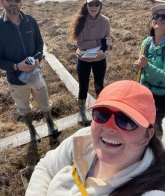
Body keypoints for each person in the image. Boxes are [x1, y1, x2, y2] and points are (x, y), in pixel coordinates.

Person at [25, 80, 165, 196]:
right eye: (102, 114)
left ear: (148, 135)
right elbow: (46, 167)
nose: (109, 127)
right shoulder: (83, 140)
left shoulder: (152, 191)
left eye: (126, 120)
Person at [0, 0, 58, 142]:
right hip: (16, 80)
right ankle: (31, 130)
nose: (13, 2)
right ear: (2, 2)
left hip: (36, 75)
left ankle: (50, 122)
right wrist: (17, 67)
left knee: (44, 102)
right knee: (23, 107)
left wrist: (38, 57)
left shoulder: (31, 21)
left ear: (21, 3)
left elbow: (39, 44)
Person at [70, 0, 111, 126]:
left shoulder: (105, 21)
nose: (93, 6)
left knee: (99, 85)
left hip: (100, 59)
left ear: (100, 5)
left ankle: (100, 108)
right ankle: (82, 111)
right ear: (86, 5)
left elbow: (107, 42)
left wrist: (103, 48)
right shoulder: (80, 21)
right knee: (83, 87)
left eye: (96, 3)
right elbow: (81, 44)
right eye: (90, 3)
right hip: (84, 60)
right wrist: (100, 41)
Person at [134, 4, 165, 138]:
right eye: (156, 16)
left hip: (162, 96)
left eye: (164, 16)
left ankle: (158, 154)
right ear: (152, 22)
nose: (160, 18)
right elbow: (141, 71)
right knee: (143, 122)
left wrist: (147, 66)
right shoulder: (146, 43)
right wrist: (138, 68)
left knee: (156, 124)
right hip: (145, 93)